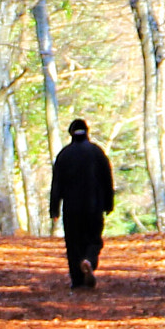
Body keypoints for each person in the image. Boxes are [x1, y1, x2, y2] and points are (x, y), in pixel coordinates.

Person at [49, 118, 115, 289]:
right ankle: (89, 261)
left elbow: (56, 184)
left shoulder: (64, 155)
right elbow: (107, 180)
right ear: (87, 131)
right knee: (93, 239)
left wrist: (54, 209)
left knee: (73, 242)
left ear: (71, 133)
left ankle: (77, 280)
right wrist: (109, 203)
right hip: (94, 206)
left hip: (71, 208)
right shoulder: (97, 153)